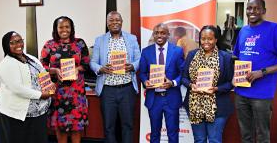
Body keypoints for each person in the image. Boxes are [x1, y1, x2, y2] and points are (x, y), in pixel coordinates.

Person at [233, 0, 277, 143]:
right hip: (241, 92)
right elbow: (236, 57)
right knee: (245, 136)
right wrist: (235, 76)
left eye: (256, 8)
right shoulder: (243, 31)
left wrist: (262, 72)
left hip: (262, 95)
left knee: (262, 136)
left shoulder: (274, 29)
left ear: (264, 11)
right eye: (249, 8)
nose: (252, 11)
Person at [90, 11, 141, 143]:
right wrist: (100, 68)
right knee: (109, 127)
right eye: (111, 20)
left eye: (117, 20)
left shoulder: (132, 38)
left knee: (128, 125)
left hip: (127, 89)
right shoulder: (99, 40)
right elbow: (93, 62)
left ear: (121, 22)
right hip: (107, 90)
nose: (114, 22)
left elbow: (139, 59)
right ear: (107, 24)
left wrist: (133, 66)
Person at [0, 31, 53, 143]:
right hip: (18, 114)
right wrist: (41, 95)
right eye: (13, 42)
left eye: (20, 41)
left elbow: (42, 73)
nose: (18, 45)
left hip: (38, 113)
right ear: (6, 45)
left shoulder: (30, 58)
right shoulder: (7, 63)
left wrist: (49, 86)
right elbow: (17, 88)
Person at [40, 16, 89, 143]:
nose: (64, 29)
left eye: (67, 26)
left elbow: (86, 65)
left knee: (76, 126)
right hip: (58, 92)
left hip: (76, 92)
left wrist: (77, 69)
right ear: (56, 29)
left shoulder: (80, 43)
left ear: (71, 28)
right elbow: (41, 67)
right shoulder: (49, 45)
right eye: (61, 27)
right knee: (60, 126)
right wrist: (55, 71)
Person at [182, 25, 234, 143]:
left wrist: (216, 88)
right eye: (203, 38)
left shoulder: (225, 57)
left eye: (210, 39)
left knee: (214, 140)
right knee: (199, 140)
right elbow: (184, 78)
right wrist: (191, 85)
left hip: (218, 106)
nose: (206, 42)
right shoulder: (192, 55)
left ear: (216, 40)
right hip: (195, 105)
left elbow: (231, 83)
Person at [139, 23, 184, 143]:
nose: (159, 35)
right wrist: (145, 81)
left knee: (173, 133)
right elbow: (142, 73)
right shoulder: (146, 52)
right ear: (153, 35)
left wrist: (173, 83)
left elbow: (183, 73)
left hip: (171, 98)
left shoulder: (177, 51)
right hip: (154, 99)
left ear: (168, 35)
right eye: (157, 33)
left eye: (163, 33)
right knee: (154, 133)